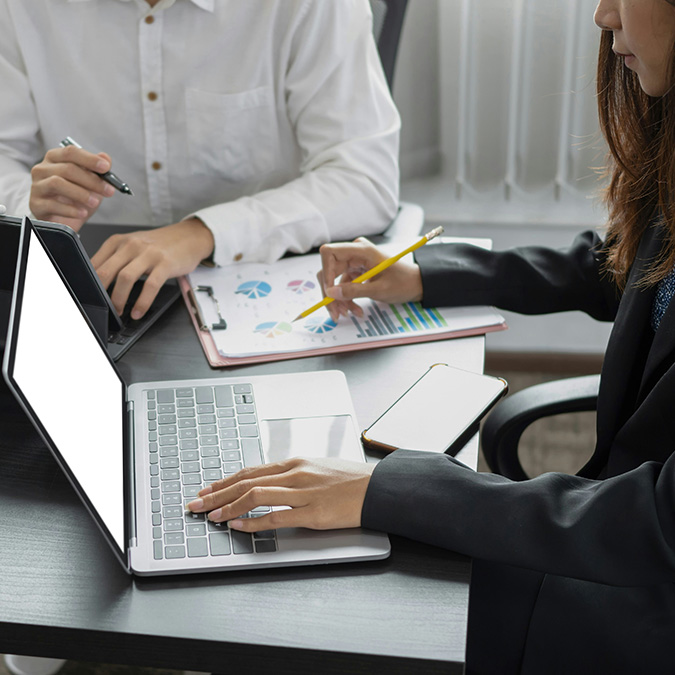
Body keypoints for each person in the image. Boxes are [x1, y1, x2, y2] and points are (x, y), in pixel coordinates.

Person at [187, 0, 675, 672]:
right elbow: (621, 270)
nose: (600, 15)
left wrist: (385, 488)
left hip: (644, 593)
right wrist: (425, 276)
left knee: (344, 605)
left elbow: (659, 519)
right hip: (611, 535)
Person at [0, 0, 399, 320]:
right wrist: (31, 207)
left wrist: (202, 233)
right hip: (86, 290)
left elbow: (365, 178)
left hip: (261, 291)